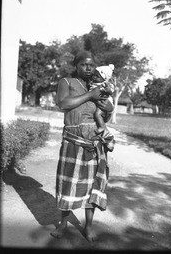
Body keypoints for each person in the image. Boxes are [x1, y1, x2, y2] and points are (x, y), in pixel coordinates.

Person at [51, 51, 115, 242]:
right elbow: (63, 103)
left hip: (94, 142)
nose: (88, 68)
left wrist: (107, 108)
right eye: (84, 64)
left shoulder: (97, 85)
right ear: (76, 65)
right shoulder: (67, 82)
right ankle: (63, 224)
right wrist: (90, 95)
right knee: (67, 184)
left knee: (92, 187)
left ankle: (88, 226)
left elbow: (105, 114)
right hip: (73, 141)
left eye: (91, 65)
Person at [89, 64, 115, 134]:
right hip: (99, 102)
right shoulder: (93, 83)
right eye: (94, 75)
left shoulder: (105, 84)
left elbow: (111, 91)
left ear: (104, 78)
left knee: (97, 114)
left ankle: (102, 126)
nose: (94, 77)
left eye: (97, 76)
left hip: (104, 101)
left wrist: (107, 90)